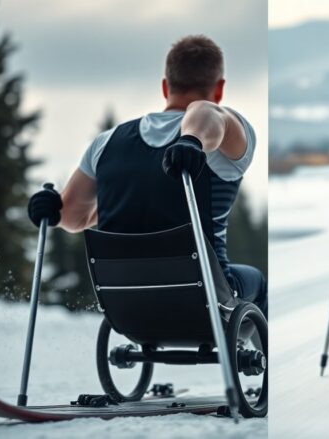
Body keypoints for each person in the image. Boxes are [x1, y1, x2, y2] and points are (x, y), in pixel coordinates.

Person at [26, 35, 267, 316]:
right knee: (257, 283)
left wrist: (55, 210)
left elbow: (72, 217)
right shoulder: (224, 133)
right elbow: (210, 114)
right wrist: (192, 141)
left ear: (165, 86)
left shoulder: (106, 142)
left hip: (125, 302)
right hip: (206, 300)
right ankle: (263, 358)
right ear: (220, 89)